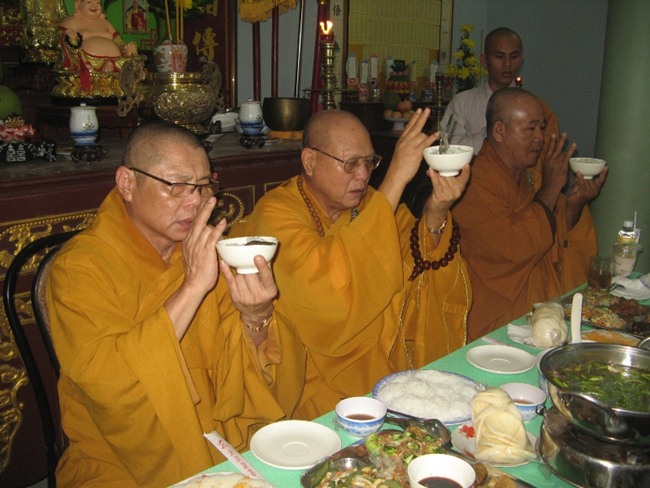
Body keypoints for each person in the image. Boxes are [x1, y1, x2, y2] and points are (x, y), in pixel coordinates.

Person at [46, 120, 305, 486]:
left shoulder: (201, 252)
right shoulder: (80, 267)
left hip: (218, 441)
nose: (195, 201)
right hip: (120, 459)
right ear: (127, 183)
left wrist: (257, 316)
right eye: (177, 186)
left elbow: (243, 370)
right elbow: (110, 385)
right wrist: (192, 287)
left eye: (203, 186)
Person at [231, 108, 472, 419]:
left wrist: (437, 211)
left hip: (380, 373)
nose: (362, 175)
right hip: (310, 381)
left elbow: (418, 263)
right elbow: (325, 291)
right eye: (350, 164)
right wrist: (395, 178)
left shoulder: (370, 203)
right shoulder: (277, 211)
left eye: (369, 162)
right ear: (310, 161)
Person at [451, 88, 608, 340]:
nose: (540, 138)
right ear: (499, 131)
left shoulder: (530, 176)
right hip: (496, 320)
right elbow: (513, 248)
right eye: (530, 129)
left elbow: (555, 238)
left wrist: (575, 205)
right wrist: (551, 188)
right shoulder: (473, 182)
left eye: (541, 129)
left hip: (542, 314)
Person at [441, 27, 547, 155]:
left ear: (521, 60)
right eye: (499, 57)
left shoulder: (533, 106)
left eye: (514, 57)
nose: (507, 64)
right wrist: (491, 134)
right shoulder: (462, 103)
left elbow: (541, 150)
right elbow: (447, 149)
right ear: (484, 60)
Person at [58, 0, 138, 93]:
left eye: (97, 3)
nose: (94, 5)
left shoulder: (105, 23)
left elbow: (118, 41)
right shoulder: (72, 21)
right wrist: (69, 37)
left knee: (131, 65)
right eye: (89, 2)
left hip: (116, 62)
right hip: (88, 62)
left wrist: (126, 49)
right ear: (78, 4)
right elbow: (63, 39)